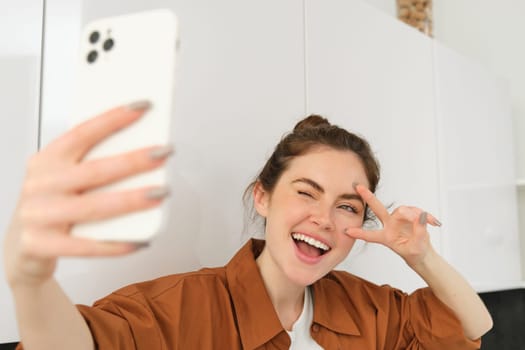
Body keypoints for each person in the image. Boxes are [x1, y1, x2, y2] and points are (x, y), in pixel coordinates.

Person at [4, 101, 492, 349]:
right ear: (263, 195)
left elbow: (472, 325)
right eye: (306, 192)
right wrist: (30, 279)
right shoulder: (180, 310)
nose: (323, 219)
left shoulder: (367, 309)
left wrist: (420, 255)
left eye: (347, 206)